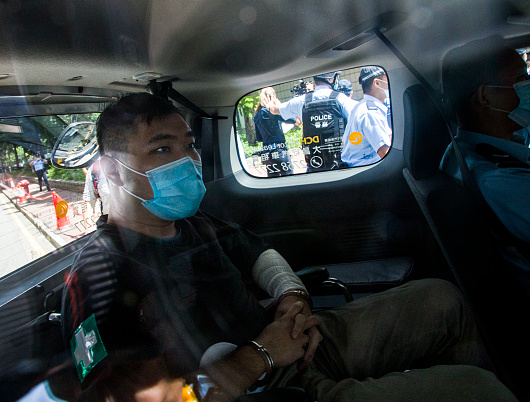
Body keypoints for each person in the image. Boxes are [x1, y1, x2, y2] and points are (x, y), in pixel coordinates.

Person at [61, 93, 515, 401]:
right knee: (479, 391)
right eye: (163, 150)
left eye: (190, 145)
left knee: (443, 300)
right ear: (114, 173)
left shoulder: (191, 223)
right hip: (270, 388)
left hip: (294, 346)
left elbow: (258, 253)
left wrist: (292, 300)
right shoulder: (101, 275)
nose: (189, 160)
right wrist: (260, 355)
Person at [440, 37, 530, 245]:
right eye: (521, 78)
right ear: (485, 97)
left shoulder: (462, 150)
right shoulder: (498, 178)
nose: (528, 85)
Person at [266, 72, 358, 172]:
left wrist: (269, 104)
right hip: (340, 164)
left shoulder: (301, 101)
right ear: (330, 79)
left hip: (315, 165)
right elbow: (358, 115)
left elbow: (275, 110)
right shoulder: (341, 99)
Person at [341, 66, 392, 167]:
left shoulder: (361, 107)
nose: (390, 83)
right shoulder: (371, 113)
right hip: (370, 172)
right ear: (377, 83)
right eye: (387, 79)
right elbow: (384, 152)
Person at [253, 88, 295, 177]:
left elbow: (259, 138)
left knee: (273, 180)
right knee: (289, 179)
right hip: (279, 150)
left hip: (267, 152)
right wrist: (280, 108)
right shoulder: (272, 111)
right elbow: (292, 120)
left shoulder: (257, 115)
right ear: (273, 97)